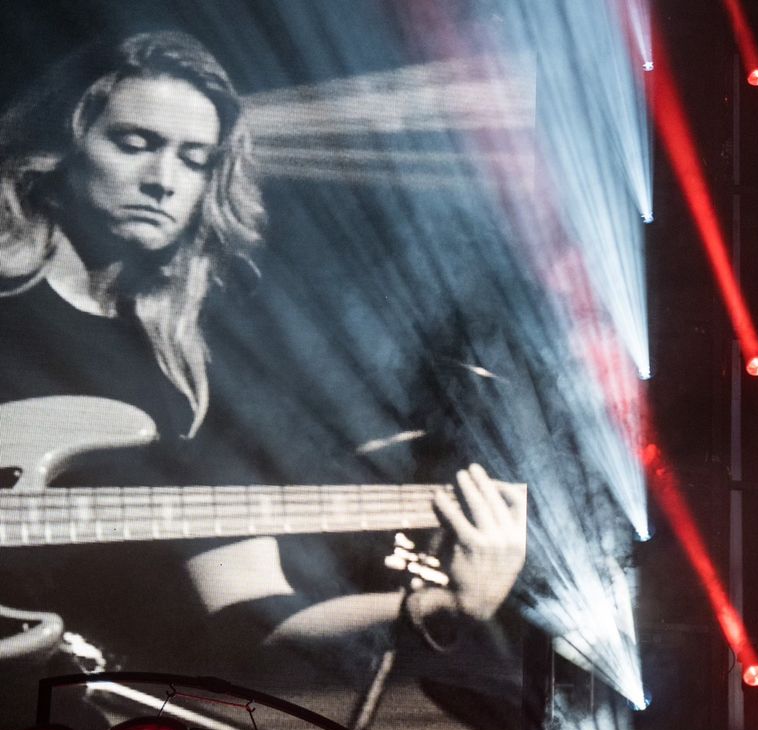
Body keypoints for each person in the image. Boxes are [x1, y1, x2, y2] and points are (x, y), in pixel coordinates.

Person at [0, 31, 524, 694]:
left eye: (194, 160)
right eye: (134, 143)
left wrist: (446, 606)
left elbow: (254, 615)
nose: (163, 180)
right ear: (60, 148)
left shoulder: (188, 375)